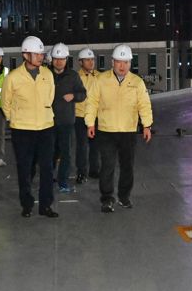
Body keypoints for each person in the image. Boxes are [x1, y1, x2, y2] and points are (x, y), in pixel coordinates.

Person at [85, 44, 153, 213]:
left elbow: (143, 105)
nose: (122, 66)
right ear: (112, 62)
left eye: (126, 62)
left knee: (127, 166)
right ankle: (107, 199)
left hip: (128, 132)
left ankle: (124, 197)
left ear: (130, 63)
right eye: (119, 62)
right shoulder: (101, 80)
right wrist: (90, 123)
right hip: (106, 131)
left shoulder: (136, 82)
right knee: (107, 165)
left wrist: (147, 125)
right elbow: (92, 101)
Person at [1, 35, 59, 218]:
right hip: (22, 130)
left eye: (41, 54)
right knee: (25, 169)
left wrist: (43, 113)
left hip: (45, 128)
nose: (41, 57)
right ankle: (26, 204)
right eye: (37, 54)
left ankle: (46, 206)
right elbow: (5, 103)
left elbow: (50, 97)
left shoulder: (47, 74)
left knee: (47, 169)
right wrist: (15, 118)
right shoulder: (13, 77)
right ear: (26, 55)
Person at [49, 43, 87, 193]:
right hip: (48, 121)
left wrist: (73, 96)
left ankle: (62, 182)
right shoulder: (44, 74)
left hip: (66, 121)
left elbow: (83, 94)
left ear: (66, 59)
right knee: (49, 152)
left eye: (62, 59)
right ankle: (48, 178)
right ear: (52, 59)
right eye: (56, 59)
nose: (59, 62)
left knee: (66, 153)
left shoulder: (73, 76)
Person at [74, 47, 100, 183]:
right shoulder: (75, 77)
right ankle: (81, 172)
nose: (91, 62)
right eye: (87, 60)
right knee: (82, 146)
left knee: (95, 145)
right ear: (80, 62)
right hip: (80, 116)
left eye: (92, 59)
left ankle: (94, 170)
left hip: (95, 116)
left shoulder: (99, 76)